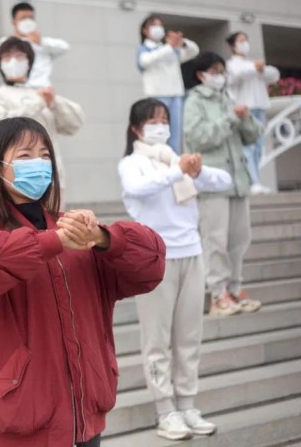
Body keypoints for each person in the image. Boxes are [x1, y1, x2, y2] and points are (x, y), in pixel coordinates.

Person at [0, 116, 166, 447]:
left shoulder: (79, 234)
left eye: (44, 155)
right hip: (23, 417)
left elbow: (151, 263)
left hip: (86, 415)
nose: (37, 164)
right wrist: (52, 242)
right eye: (24, 156)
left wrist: (105, 238)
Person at [119, 98, 231, 441]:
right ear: (137, 128)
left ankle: (187, 404)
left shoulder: (178, 160)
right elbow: (137, 189)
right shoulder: (132, 163)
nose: (160, 125)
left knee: (188, 337)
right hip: (155, 259)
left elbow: (223, 180)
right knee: (157, 339)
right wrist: (178, 170)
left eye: (165, 119)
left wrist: (196, 170)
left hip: (191, 254)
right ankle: (165, 409)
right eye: (153, 120)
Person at [184, 52, 264, 317]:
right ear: (201, 75)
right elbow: (200, 137)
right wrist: (231, 117)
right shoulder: (194, 101)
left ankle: (235, 290)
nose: (220, 75)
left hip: (238, 182)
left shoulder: (227, 98)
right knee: (215, 240)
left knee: (239, 240)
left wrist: (245, 117)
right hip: (212, 183)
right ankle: (218, 295)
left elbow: (252, 136)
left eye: (222, 70)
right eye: (215, 70)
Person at [0, 37, 84, 202]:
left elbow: (74, 124)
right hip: (15, 179)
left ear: (29, 62)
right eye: (7, 56)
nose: (13, 61)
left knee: (52, 224)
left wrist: (54, 102)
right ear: (0, 63)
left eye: (19, 56)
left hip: (50, 175)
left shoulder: (43, 93)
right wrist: (38, 104)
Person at [226, 31, 280, 195]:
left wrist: (259, 68)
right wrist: (254, 68)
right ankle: (252, 181)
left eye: (246, 40)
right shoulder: (232, 64)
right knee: (247, 148)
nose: (244, 43)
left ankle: (255, 181)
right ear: (233, 45)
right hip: (244, 109)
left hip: (259, 107)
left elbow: (274, 75)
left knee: (258, 148)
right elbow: (236, 76)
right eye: (241, 40)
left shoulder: (254, 65)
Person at [137, 15, 200, 154]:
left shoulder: (170, 49)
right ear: (145, 30)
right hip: (157, 95)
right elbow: (145, 61)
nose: (158, 28)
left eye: (160, 25)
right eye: (154, 25)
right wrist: (169, 46)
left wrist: (181, 42)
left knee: (175, 135)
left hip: (176, 94)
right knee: (158, 132)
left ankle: (175, 162)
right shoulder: (144, 49)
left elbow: (194, 51)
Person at [0, 2, 70, 88]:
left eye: (31, 18)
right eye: (23, 18)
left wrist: (40, 42)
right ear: (14, 21)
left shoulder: (43, 43)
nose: (27, 22)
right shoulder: (6, 42)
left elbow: (64, 47)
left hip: (42, 90)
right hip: (19, 89)